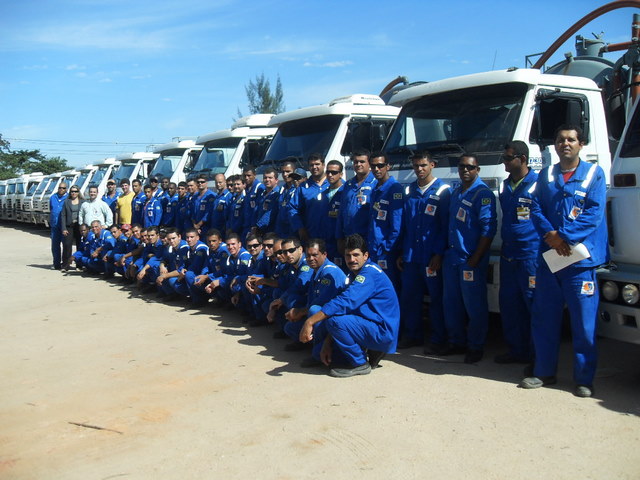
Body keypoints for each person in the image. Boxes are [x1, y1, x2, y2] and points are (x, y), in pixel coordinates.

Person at [520, 125, 608, 398]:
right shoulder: (546, 175)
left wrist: (564, 237)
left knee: (583, 324)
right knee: (544, 318)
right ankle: (545, 372)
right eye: (560, 140)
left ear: (581, 144)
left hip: (580, 263)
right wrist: (551, 236)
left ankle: (584, 380)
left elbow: (594, 213)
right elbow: (534, 207)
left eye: (571, 139)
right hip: (551, 260)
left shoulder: (594, 173)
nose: (565, 144)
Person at [299, 234, 400, 377]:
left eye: (356, 255)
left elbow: (345, 301)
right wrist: (327, 343)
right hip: (370, 324)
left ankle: (360, 364)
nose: (351, 259)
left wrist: (310, 321)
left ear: (365, 256)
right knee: (330, 318)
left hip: (382, 331)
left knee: (333, 320)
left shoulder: (369, 273)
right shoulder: (355, 274)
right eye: (348, 255)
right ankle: (367, 351)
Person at [443, 153, 497, 364]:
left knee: (474, 306)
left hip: (470, 260)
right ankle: (456, 342)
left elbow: (488, 230)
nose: (465, 170)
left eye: (470, 167)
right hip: (453, 258)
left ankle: (476, 346)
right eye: (462, 167)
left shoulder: (483, 194)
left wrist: (476, 258)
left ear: (477, 170)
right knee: (452, 304)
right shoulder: (457, 192)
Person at [397, 151, 451, 352]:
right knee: (410, 297)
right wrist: (402, 252)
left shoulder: (443, 191)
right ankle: (413, 335)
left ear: (432, 165)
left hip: (430, 257)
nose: (419, 169)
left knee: (436, 299)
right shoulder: (409, 190)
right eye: (416, 166)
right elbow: (404, 225)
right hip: (412, 256)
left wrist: (438, 253)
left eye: (423, 165)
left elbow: (445, 226)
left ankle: (438, 339)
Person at [495, 141, 539, 364]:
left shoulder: (538, 184)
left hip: (530, 255)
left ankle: (536, 356)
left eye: (507, 158)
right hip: (509, 254)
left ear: (522, 159)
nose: (504, 162)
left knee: (533, 305)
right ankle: (516, 350)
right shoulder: (505, 186)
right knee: (510, 305)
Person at [283, 238, 347, 352]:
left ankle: (319, 348)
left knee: (314, 310)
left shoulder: (329, 273)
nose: (311, 258)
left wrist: (300, 312)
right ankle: (310, 342)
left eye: (314, 255)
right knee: (290, 328)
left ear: (324, 254)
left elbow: (323, 306)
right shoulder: (317, 271)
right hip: (322, 316)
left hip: (334, 318)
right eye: (308, 256)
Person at [367, 152, 403, 289]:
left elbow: (397, 224)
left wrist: (387, 248)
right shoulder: (375, 189)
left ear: (388, 166)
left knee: (388, 287)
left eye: (380, 165)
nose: (376, 169)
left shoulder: (394, 189)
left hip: (386, 251)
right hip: (374, 248)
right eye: (373, 166)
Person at [336, 149, 376, 253]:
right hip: (348, 238)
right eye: (356, 162)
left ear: (369, 163)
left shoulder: (375, 183)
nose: (358, 164)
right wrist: (339, 237)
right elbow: (341, 212)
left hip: (366, 239)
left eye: (362, 162)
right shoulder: (348, 185)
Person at [290, 153, 329, 243]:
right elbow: (293, 209)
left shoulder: (334, 184)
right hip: (310, 235)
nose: (314, 167)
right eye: (311, 165)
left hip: (331, 235)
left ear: (323, 165)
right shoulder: (303, 187)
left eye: (317, 164)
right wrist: (300, 228)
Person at [318, 160, 344, 267]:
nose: (330, 175)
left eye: (334, 172)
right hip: (325, 242)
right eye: (328, 172)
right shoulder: (323, 194)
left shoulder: (346, 192)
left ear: (341, 174)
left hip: (340, 242)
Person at [61, 185, 85, 270]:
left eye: (75, 191)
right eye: (72, 191)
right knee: (67, 245)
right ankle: (65, 265)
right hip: (69, 226)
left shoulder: (83, 202)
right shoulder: (66, 202)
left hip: (79, 226)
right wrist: (64, 228)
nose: (74, 193)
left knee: (80, 245)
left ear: (78, 192)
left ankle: (79, 265)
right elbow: (63, 215)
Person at [274, 161, 297, 237]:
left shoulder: (298, 189)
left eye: (288, 171)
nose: (285, 174)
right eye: (283, 172)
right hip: (281, 230)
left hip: (293, 230)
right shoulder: (282, 189)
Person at [254, 168, 281, 235]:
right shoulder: (262, 194)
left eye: (270, 178)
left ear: (276, 180)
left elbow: (270, 214)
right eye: (265, 178)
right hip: (259, 230)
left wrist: (258, 227)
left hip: (270, 231)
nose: (267, 180)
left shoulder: (277, 194)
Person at [241, 167, 265, 238]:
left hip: (254, 226)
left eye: (249, 175)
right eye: (245, 176)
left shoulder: (259, 188)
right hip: (246, 225)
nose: (246, 178)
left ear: (254, 175)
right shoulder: (247, 188)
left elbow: (258, 209)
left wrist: (255, 225)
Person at [49, 182, 68, 270]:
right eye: (60, 187)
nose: (61, 189)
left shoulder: (68, 198)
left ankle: (65, 264)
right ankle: (56, 264)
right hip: (54, 226)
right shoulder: (53, 197)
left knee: (66, 245)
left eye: (63, 188)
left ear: (66, 189)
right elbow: (51, 209)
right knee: (55, 245)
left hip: (64, 226)